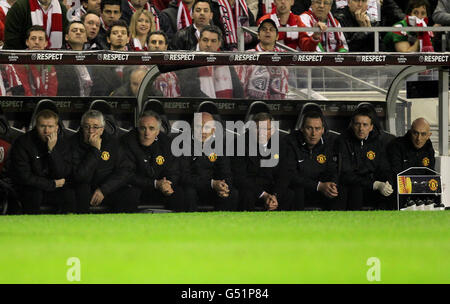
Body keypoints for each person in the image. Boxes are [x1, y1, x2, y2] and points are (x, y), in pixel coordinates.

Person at [7, 109, 74, 214]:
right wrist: (52, 184)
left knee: (70, 194)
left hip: (54, 187)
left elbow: (63, 173)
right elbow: (25, 177)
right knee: (33, 194)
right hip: (29, 188)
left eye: (50, 127)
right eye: (42, 126)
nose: (46, 131)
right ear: (36, 126)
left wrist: (52, 151)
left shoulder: (63, 143)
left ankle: (66, 228)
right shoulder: (23, 143)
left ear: (56, 128)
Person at [69, 109, 133, 213]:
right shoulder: (72, 143)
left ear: (102, 129)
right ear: (81, 128)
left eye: (95, 127)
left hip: (106, 189)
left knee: (130, 193)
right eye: (87, 126)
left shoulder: (113, 143)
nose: (91, 131)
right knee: (81, 190)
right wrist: (95, 151)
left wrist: (104, 189)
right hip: (83, 190)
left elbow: (125, 171)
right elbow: (79, 177)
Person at [121, 111, 187, 211]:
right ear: (137, 129)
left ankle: (179, 225)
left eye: (151, 128)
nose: (147, 133)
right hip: (136, 187)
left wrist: (167, 184)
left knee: (179, 193)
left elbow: (174, 171)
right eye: (143, 128)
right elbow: (127, 175)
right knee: (129, 194)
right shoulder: (127, 142)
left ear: (157, 131)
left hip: (161, 188)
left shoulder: (167, 144)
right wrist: (155, 183)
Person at [232, 112, 293, 211]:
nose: (262, 133)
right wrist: (263, 195)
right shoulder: (239, 143)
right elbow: (239, 177)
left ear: (272, 130)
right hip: (251, 188)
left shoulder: (281, 144)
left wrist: (275, 195)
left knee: (289, 194)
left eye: (266, 129)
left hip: (272, 188)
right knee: (246, 194)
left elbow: (285, 173)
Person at [337, 107, 393, 210]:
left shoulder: (378, 142)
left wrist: (387, 183)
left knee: (390, 190)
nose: (361, 128)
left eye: (365, 125)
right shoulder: (343, 140)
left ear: (371, 127)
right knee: (354, 189)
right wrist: (374, 184)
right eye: (357, 124)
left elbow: (384, 168)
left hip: (373, 185)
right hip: (353, 185)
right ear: (352, 125)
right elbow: (346, 174)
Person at [180, 111, 239, 211]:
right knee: (188, 192)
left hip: (214, 189)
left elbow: (226, 172)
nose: (202, 131)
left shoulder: (220, 146)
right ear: (192, 127)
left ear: (213, 130)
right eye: (199, 127)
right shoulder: (182, 145)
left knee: (232, 193)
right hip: (194, 187)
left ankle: (225, 225)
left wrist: (224, 187)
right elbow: (184, 177)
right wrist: (211, 183)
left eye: (207, 127)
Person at [285, 110, 343, 210]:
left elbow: (333, 170)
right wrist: (318, 186)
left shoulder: (329, 143)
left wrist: (332, 185)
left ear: (323, 130)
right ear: (302, 129)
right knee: (296, 190)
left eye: (317, 129)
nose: (313, 133)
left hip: (322, 190)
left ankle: (335, 224)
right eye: (309, 128)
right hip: (301, 189)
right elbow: (291, 176)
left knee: (339, 190)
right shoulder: (289, 142)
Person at [177, 25, 244, 98]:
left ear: (219, 44)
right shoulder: (189, 60)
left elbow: (238, 90)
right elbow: (189, 91)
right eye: (205, 40)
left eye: (213, 41)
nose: (209, 44)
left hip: (225, 107)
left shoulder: (224, 60)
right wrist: (214, 104)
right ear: (199, 40)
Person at [237, 18, 288, 100]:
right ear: (258, 35)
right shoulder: (247, 56)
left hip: (277, 107)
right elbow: (240, 85)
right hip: (252, 106)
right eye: (264, 29)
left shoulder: (283, 58)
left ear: (277, 36)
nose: (268, 31)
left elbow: (285, 88)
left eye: (271, 29)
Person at [11, 26, 58, 96]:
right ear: (27, 42)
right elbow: (24, 90)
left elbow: (53, 90)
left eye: (40, 39)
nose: (36, 42)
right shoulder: (19, 61)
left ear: (46, 43)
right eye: (33, 39)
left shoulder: (50, 62)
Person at [4, 0, 69, 50]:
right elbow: (11, 40)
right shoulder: (19, 7)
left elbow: (66, 38)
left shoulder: (62, 9)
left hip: (55, 63)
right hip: (22, 61)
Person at [90, 20, 129, 96]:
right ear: (108, 39)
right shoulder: (99, 65)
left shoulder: (136, 63)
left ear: (128, 39)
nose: (119, 35)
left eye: (123, 33)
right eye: (115, 33)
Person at [58, 21, 92, 96]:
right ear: (66, 37)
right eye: (74, 30)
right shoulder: (59, 58)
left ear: (86, 39)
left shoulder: (92, 57)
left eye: (82, 31)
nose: (78, 32)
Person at [149, 31, 181, 97]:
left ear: (166, 47)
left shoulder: (173, 73)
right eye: (153, 42)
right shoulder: (140, 69)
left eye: (160, 43)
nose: (157, 46)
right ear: (148, 45)